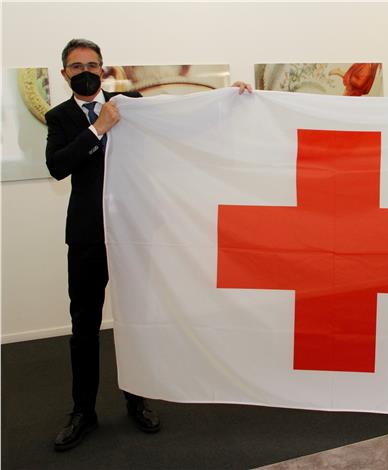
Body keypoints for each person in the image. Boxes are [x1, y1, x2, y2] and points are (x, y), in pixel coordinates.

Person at [45, 38, 252, 452]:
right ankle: (82, 411)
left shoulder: (131, 102)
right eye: (76, 65)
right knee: (83, 325)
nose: (85, 70)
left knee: (135, 318)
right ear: (65, 72)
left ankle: (136, 400)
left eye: (92, 63)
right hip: (86, 236)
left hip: (134, 228)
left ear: (103, 68)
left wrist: (229, 100)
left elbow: (179, 118)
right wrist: (97, 128)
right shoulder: (60, 116)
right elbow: (57, 166)